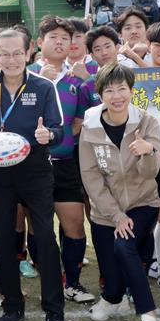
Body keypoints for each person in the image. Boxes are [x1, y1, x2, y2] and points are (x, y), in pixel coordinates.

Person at [0, 28, 67, 321]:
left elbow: (59, 129)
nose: (11, 59)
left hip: (36, 172)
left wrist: (48, 135)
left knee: (44, 237)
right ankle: (12, 306)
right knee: (3, 238)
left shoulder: (43, 87)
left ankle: (54, 311)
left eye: (17, 53)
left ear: (28, 53)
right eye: (5, 54)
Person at [77, 64, 160, 321]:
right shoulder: (90, 127)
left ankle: (151, 320)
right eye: (109, 90)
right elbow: (90, 177)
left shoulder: (147, 122)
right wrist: (116, 215)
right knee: (112, 280)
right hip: (105, 211)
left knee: (124, 246)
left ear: (131, 90)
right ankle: (112, 299)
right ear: (100, 94)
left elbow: (150, 173)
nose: (117, 96)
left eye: (122, 89)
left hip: (143, 203)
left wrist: (148, 151)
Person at [28, 16, 93, 304]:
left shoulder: (77, 79)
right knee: (37, 228)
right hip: (32, 165)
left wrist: (85, 81)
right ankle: (49, 278)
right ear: (39, 43)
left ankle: (74, 282)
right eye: (53, 37)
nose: (59, 42)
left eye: (65, 38)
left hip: (66, 164)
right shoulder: (26, 75)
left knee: (75, 225)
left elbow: (82, 120)